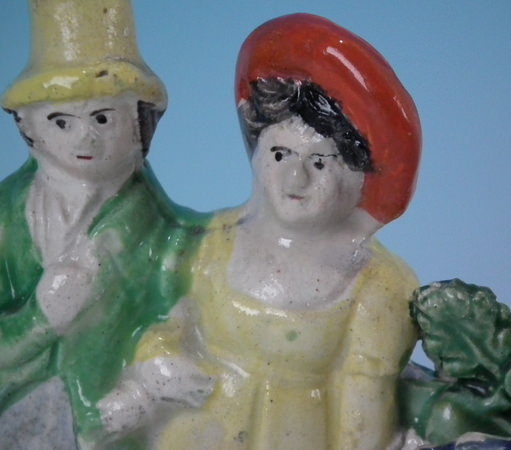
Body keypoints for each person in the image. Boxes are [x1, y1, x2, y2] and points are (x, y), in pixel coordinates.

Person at [126, 13, 422, 449]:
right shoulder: (207, 244)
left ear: (358, 176)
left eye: (319, 162)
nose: (295, 179)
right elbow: (161, 325)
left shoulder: (379, 286)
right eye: (280, 154)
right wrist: (156, 361)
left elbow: (365, 416)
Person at [0, 1, 210, 448]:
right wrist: (39, 320)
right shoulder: (5, 217)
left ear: (139, 122)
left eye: (102, 117)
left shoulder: (169, 236)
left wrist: (142, 390)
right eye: (61, 120)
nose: (85, 137)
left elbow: (190, 317)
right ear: (28, 126)